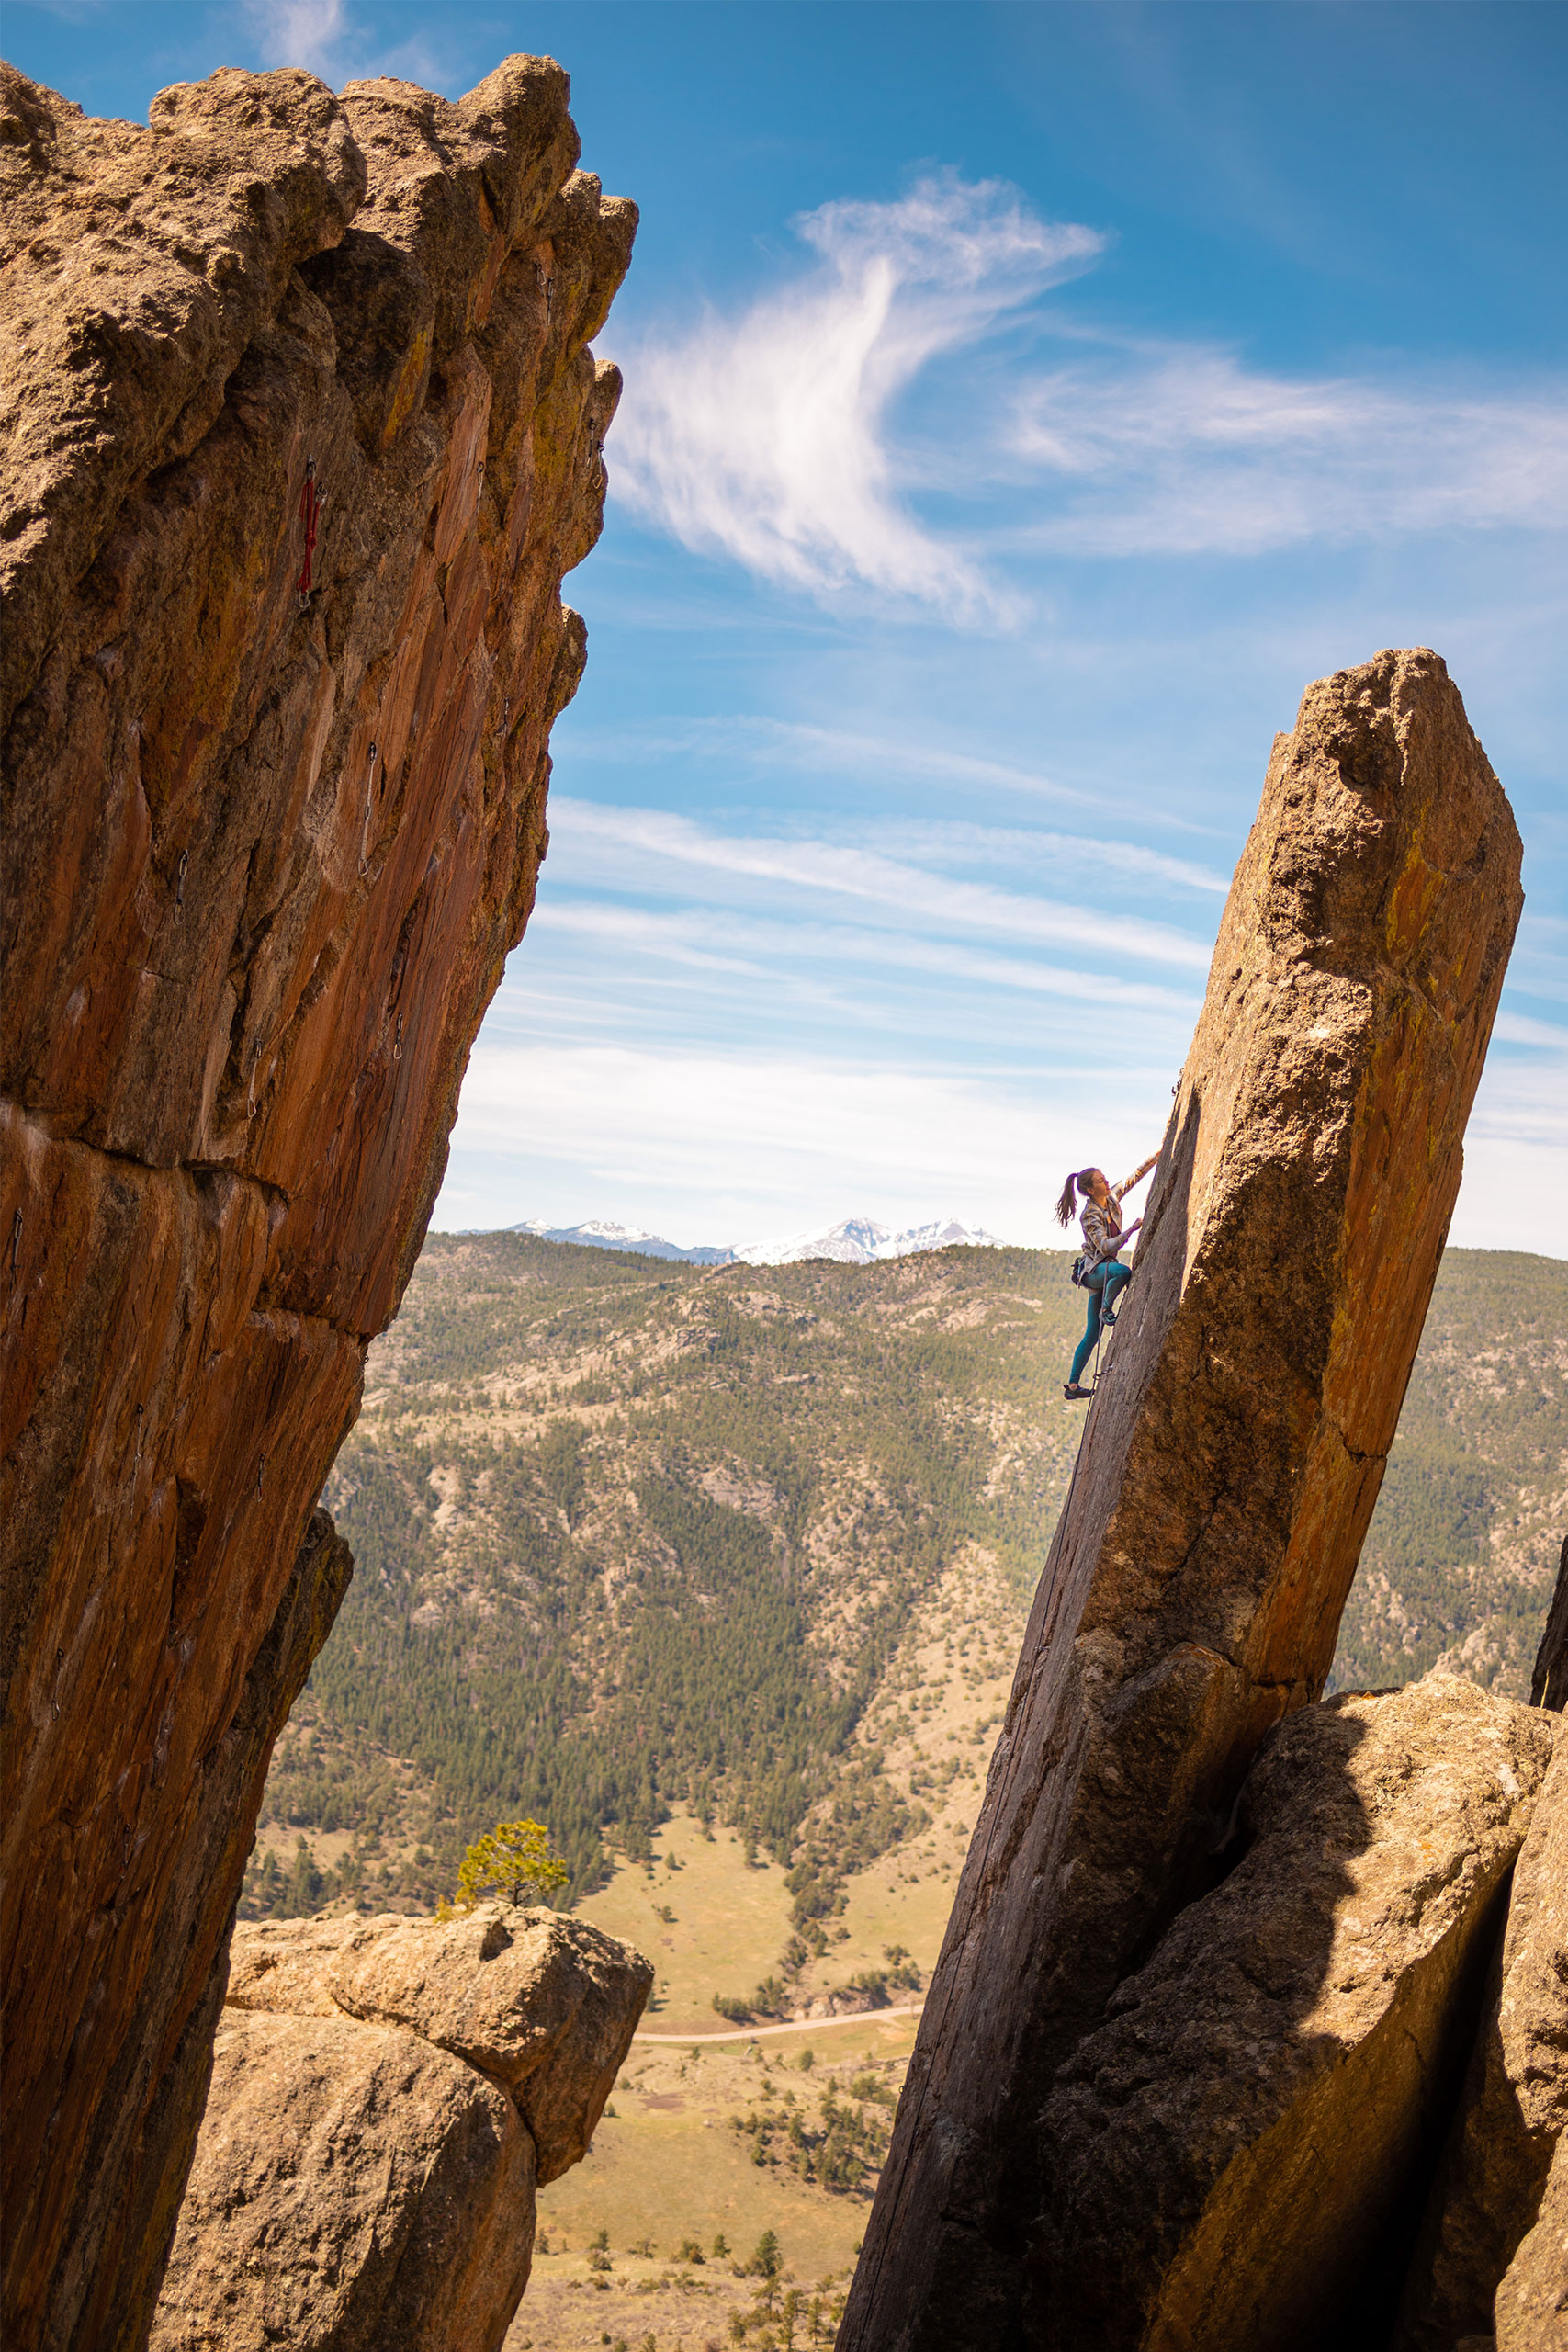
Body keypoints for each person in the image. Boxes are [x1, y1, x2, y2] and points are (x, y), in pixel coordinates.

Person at [1055, 1153, 1159, 1400]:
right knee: (1123, 1272)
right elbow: (1104, 1247)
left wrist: (1159, 1153)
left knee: (1093, 1334)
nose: (1107, 1182)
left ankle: (1072, 1386)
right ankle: (1106, 1308)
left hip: (1104, 1271)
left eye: (1105, 1178)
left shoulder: (1110, 1198)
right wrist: (1130, 1231)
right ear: (1091, 1190)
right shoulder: (1090, 1215)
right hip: (1094, 1271)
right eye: (1101, 1181)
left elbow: (1135, 1175)